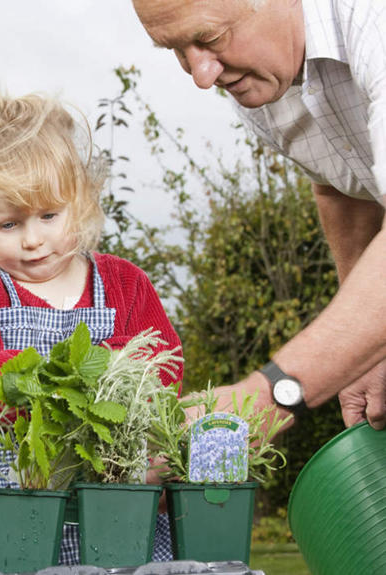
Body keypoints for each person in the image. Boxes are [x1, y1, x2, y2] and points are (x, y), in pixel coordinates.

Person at [0, 89, 184, 568]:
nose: (32, 239)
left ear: (82, 200)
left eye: (49, 215)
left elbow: (163, 364)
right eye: (8, 224)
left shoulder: (124, 284)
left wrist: (113, 382)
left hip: (112, 495)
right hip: (13, 503)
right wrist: (36, 381)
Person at [131, 0, 386, 431]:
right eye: (175, 50)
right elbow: (342, 187)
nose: (202, 76)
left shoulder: (372, 21)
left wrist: (268, 397)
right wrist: (367, 348)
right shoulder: (263, 86)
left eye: (209, 39)